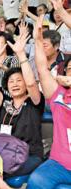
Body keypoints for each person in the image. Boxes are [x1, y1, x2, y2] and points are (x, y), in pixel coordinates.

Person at [0, 29, 44, 176]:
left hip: (30, 155)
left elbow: (32, 84)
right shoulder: (5, 103)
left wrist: (20, 54)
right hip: (5, 153)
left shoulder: (35, 101)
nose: (15, 84)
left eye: (19, 80)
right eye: (11, 81)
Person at [26, 15, 71, 189]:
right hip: (59, 164)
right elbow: (42, 68)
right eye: (68, 69)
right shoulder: (58, 93)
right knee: (36, 180)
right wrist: (37, 41)